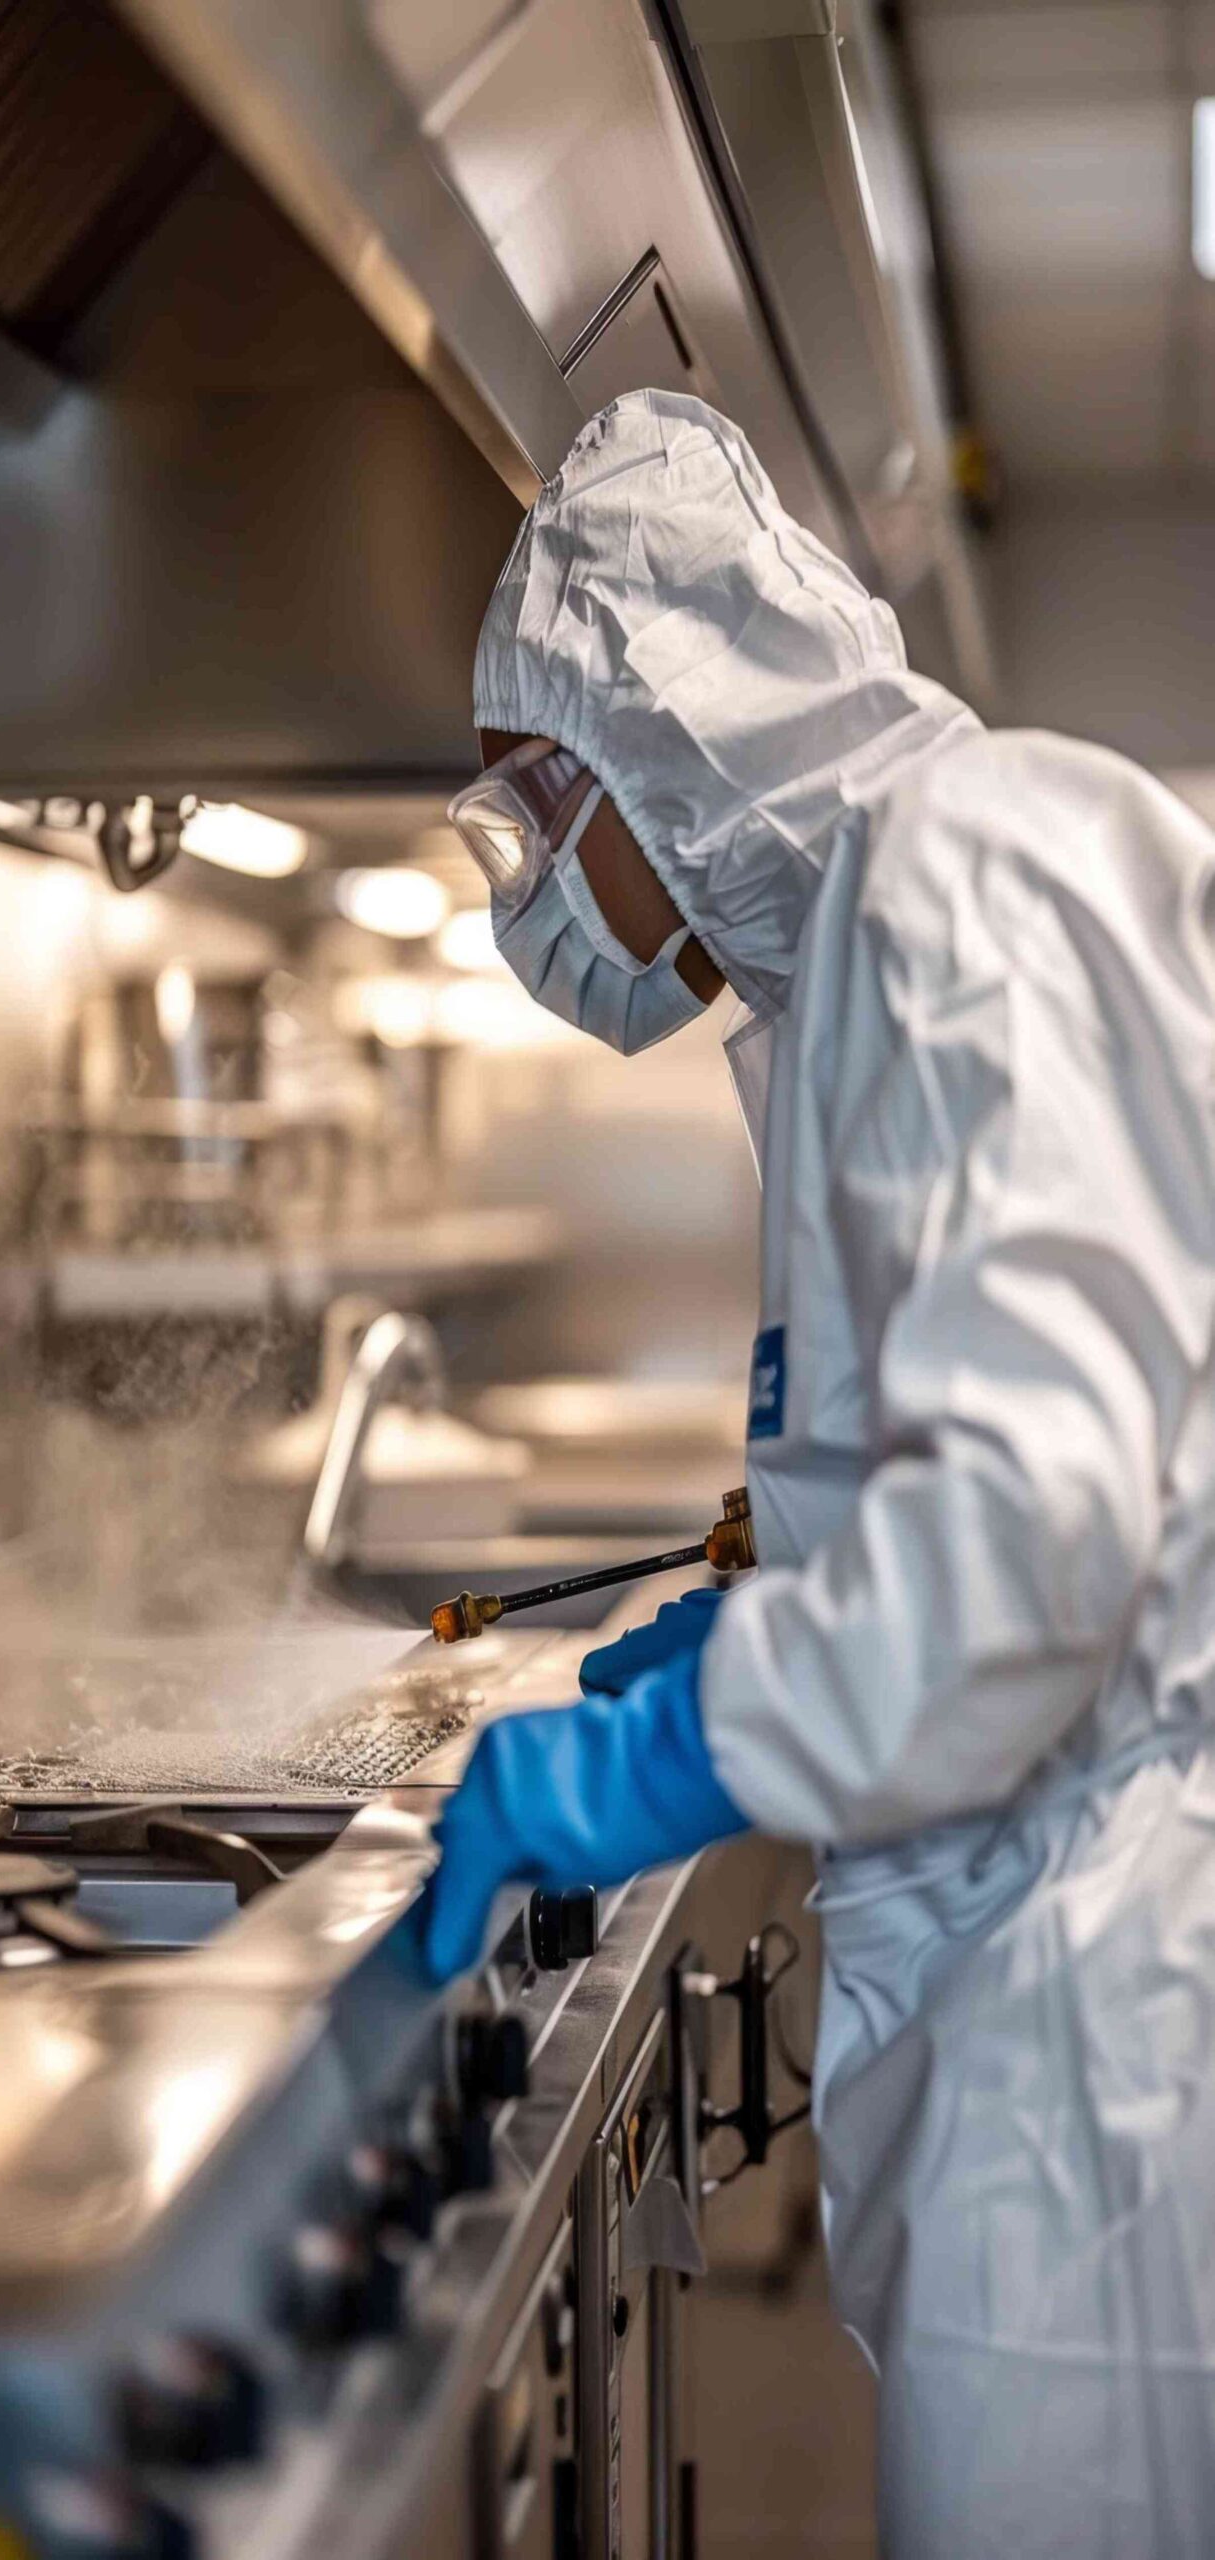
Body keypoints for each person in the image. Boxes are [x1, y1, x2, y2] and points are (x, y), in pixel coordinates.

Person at [417, 386, 1215, 2558]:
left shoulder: (973, 877)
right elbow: (977, 1473)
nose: (530, 898)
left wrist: (687, 1741)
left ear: (668, 717)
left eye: (532, 809)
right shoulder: (849, 966)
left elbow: (1028, 1547)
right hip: (1034, 1995)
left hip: (1112, 2041)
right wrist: (768, 1630)